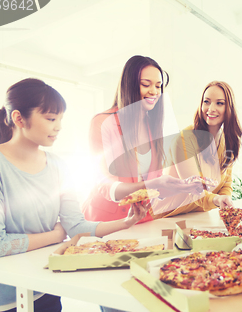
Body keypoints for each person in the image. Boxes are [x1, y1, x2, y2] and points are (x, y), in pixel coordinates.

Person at [0, 78, 146, 312]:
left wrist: (128, 222)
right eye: (51, 118)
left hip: (46, 291)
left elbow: (76, 226)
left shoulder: (58, 166)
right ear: (18, 118)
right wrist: (55, 236)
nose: (58, 126)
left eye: (60, 119)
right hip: (2, 301)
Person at [81, 55, 201, 222]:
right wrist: (153, 184)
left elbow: (153, 188)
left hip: (141, 220)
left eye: (158, 86)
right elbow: (104, 184)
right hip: (105, 223)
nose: (154, 91)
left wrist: (181, 187)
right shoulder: (102, 123)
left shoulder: (154, 127)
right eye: (146, 84)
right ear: (129, 85)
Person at [156, 80, 242, 218]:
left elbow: (226, 184)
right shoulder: (184, 139)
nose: (211, 108)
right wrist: (216, 200)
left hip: (195, 216)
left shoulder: (227, 142)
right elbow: (194, 190)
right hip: (163, 217)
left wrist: (225, 201)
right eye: (206, 101)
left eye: (219, 103)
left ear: (229, 108)